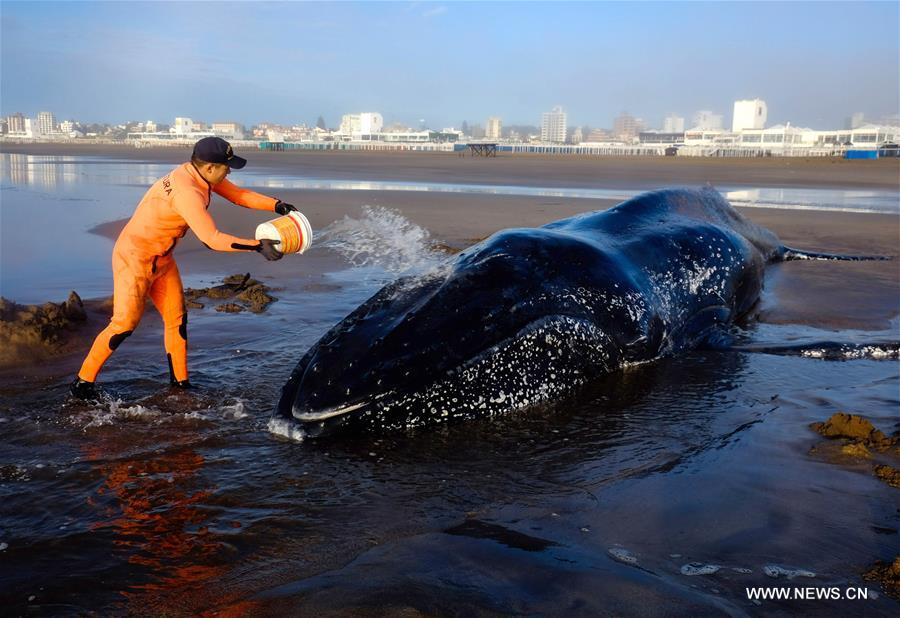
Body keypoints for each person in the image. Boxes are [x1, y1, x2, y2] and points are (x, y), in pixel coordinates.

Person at [70, 137, 297, 400]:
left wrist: (276, 205)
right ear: (210, 167)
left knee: (177, 319)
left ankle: (180, 384)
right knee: (124, 324)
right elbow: (211, 239)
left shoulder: (196, 173)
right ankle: (82, 384)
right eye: (227, 167)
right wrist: (257, 246)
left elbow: (237, 195)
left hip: (162, 259)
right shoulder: (187, 192)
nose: (229, 171)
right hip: (134, 258)